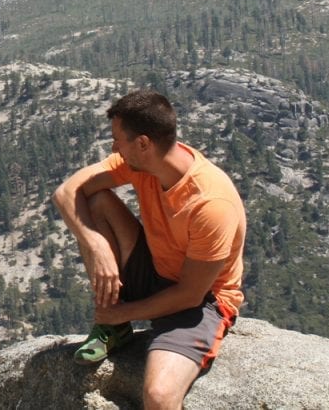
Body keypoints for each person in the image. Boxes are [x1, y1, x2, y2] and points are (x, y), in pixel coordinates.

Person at [52, 89, 245, 410]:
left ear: (143, 143)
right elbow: (66, 192)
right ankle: (114, 330)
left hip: (201, 303)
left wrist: (121, 311)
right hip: (157, 269)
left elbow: (190, 295)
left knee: (159, 397)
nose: (113, 148)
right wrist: (96, 244)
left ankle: (115, 321)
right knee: (97, 201)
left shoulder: (211, 203)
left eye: (118, 140)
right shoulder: (142, 164)